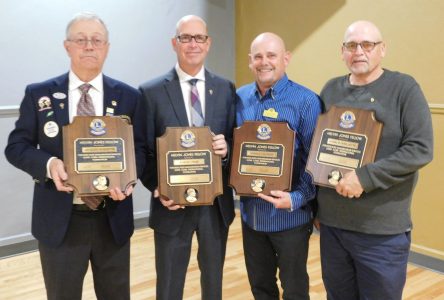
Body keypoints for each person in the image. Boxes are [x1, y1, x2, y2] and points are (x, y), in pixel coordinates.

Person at [5, 12, 145, 300]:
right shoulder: (39, 94)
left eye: (97, 40)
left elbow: (141, 149)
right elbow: (16, 146)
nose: (89, 46)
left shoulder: (130, 97)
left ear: (107, 47)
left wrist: (130, 178)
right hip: (60, 219)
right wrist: (48, 163)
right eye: (81, 40)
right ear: (67, 46)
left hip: (112, 218)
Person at [317, 20, 434, 300]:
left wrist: (364, 178)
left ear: (382, 50)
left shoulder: (404, 88)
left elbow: (420, 148)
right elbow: (318, 152)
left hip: (381, 232)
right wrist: (316, 210)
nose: (359, 51)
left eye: (367, 44)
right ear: (342, 51)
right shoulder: (330, 90)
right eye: (351, 45)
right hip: (333, 227)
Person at [138, 15, 236, 300]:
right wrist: (158, 187)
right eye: (186, 37)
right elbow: (142, 150)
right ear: (174, 43)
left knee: (213, 284)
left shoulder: (226, 88)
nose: (193, 44)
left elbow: (234, 140)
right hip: (171, 206)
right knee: (168, 285)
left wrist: (227, 148)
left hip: (215, 206)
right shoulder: (151, 92)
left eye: (199, 38)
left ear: (208, 43)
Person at [236, 32, 322, 300]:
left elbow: (315, 160)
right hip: (252, 217)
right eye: (258, 56)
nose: (265, 62)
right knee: (260, 288)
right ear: (250, 61)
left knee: (295, 289)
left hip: (291, 218)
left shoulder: (306, 101)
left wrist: (297, 198)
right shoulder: (239, 99)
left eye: (271, 55)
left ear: (286, 58)